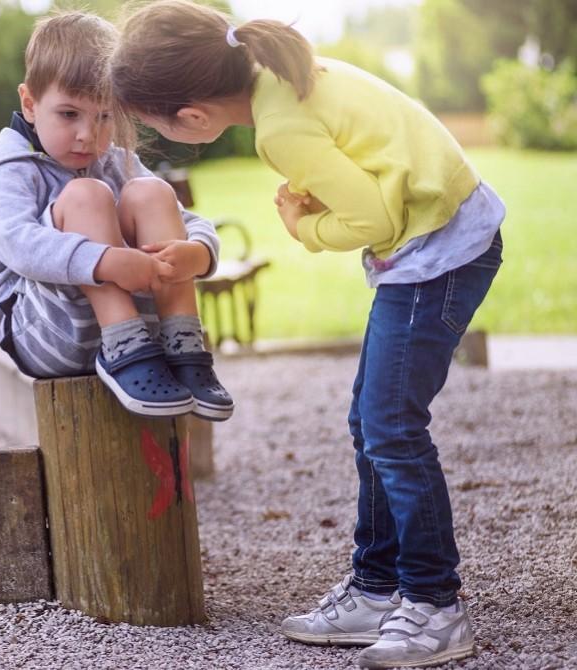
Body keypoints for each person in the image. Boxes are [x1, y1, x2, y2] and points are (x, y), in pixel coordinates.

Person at [110, 1, 503, 668]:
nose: (154, 136)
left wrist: (305, 230)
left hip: (438, 256)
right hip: (444, 234)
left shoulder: (279, 129)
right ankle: (378, 588)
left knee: (391, 428)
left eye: (153, 126)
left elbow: (376, 217)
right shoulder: (286, 73)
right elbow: (376, 163)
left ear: (194, 117)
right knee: (371, 422)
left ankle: (436, 606)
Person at [0, 10, 234, 421]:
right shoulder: (9, 171)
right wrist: (103, 261)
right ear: (30, 104)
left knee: (151, 191)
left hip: (146, 338)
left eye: (104, 117)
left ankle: (184, 342)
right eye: (69, 114)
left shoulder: (115, 160)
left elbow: (183, 218)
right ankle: (125, 346)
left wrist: (199, 252)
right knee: (86, 195)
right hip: (45, 333)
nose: (88, 134)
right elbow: (18, 244)